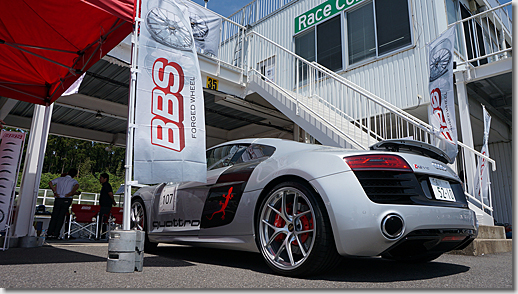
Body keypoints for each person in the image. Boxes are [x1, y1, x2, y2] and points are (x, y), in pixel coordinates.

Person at [47, 168, 80, 239]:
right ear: (74, 175)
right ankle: (56, 233)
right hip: (66, 199)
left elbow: (50, 183)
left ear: (67, 172)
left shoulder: (60, 179)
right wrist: (72, 192)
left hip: (58, 198)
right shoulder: (72, 180)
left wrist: (55, 191)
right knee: (61, 217)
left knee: (54, 215)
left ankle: (49, 233)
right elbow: (77, 185)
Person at [97, 173, 116, 240]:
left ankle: (101, 234)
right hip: (104, 205)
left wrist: (113, 200)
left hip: (106, 205)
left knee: (103, 219)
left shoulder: (107, 185)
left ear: (105, 179)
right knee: (103, 220)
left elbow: (110, 193)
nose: (100, 179)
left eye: (101, 178)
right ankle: (102, 234)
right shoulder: (105, 185)